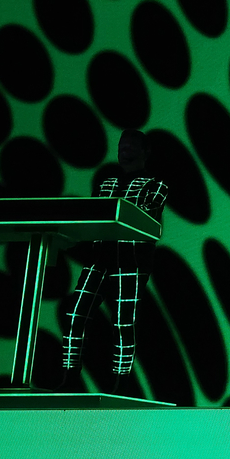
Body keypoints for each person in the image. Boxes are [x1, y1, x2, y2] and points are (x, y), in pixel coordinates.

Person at [59, 129, 169, 387]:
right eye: (122, 145)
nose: (124, 149)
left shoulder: (156, 185)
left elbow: (145, 218)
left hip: (131, 261)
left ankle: (122, 382)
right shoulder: (106, 184)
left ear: (145, 152)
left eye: (130, 145)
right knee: (75, 314)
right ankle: (70, 377)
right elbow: (93, 216)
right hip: (99, 259)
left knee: (123, 322)